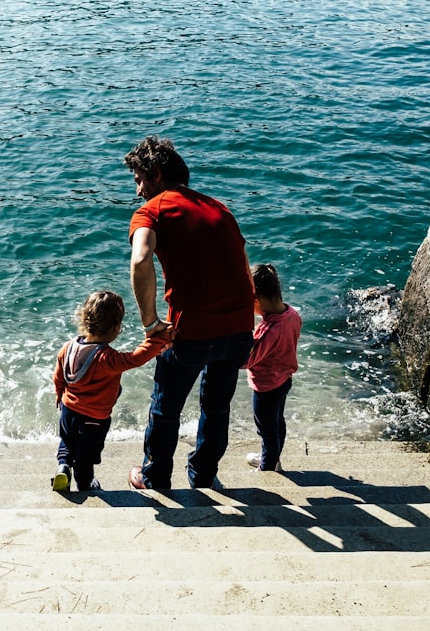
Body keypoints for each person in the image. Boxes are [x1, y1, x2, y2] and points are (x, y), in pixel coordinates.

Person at [124, 135, 255, 490]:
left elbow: (140, 260)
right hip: (240, 327)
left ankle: (154, 478)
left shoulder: (152, 211)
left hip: (191, 329)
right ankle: (203, 475)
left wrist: (151, 323)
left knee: (165, 407)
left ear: (155, 172)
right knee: (217, 406)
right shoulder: (219, 207)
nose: (137, 190)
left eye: (138, 179)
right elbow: (244, 265)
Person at [53, 290, 172, 492]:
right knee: (85, 458)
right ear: (116, 327)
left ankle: (63, 467)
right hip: (94, 418)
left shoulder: (68, 347)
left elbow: (58, 376)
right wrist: (159, 339)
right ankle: (85, 485)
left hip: (67, 409)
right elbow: (135, 358)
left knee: (67, 442)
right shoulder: (106, 358)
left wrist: (59, 395)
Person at [241, 263, 301, 472]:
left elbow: (247, 361)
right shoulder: (292, 314)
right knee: (277, 422)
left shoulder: (268, 330)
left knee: (266, 429)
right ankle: (273, 458)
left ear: (258, 300)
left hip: (266, 386)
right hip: (284, 379)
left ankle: (267, 467)